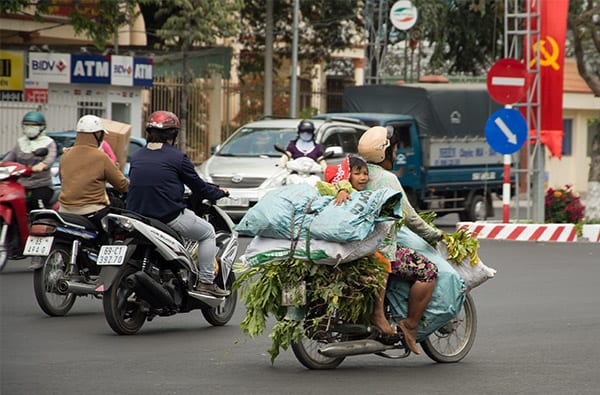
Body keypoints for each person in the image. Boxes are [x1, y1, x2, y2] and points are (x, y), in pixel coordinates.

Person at [338, 126, 443, 354]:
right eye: (394, 150)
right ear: (384, 152)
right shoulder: (387, 179)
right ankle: (410, 326)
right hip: (378, 248)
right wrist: (433, 234)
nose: (396, 155)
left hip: (347, 244)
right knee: (427, 270)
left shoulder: (351, 172)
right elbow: (409, 217)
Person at [126, 110, 230, 298]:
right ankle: (206, 282)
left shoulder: (138, 156)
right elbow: (200, 188)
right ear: (174, 134)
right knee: (207, 232)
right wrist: (220, 192)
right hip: (167, 217)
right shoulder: (177, 157)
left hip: (137, 218)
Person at [58, 115, 129, 226]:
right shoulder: (101, 157)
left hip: (64, 211)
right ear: (98, 134)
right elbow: (121, 185)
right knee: (118, 210)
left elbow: (63, 180)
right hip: (91, 212)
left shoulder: (65, 155)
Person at [2, 111, 57, 211]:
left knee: (37, 207)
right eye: (27, 125)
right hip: (20, 185)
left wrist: (42, 165)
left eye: (33, 126)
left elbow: (50, 158)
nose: (30, 128)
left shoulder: (48, 142)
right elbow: (8, 159)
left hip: (41, 185)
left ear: (41, 127)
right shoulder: (20, 142)